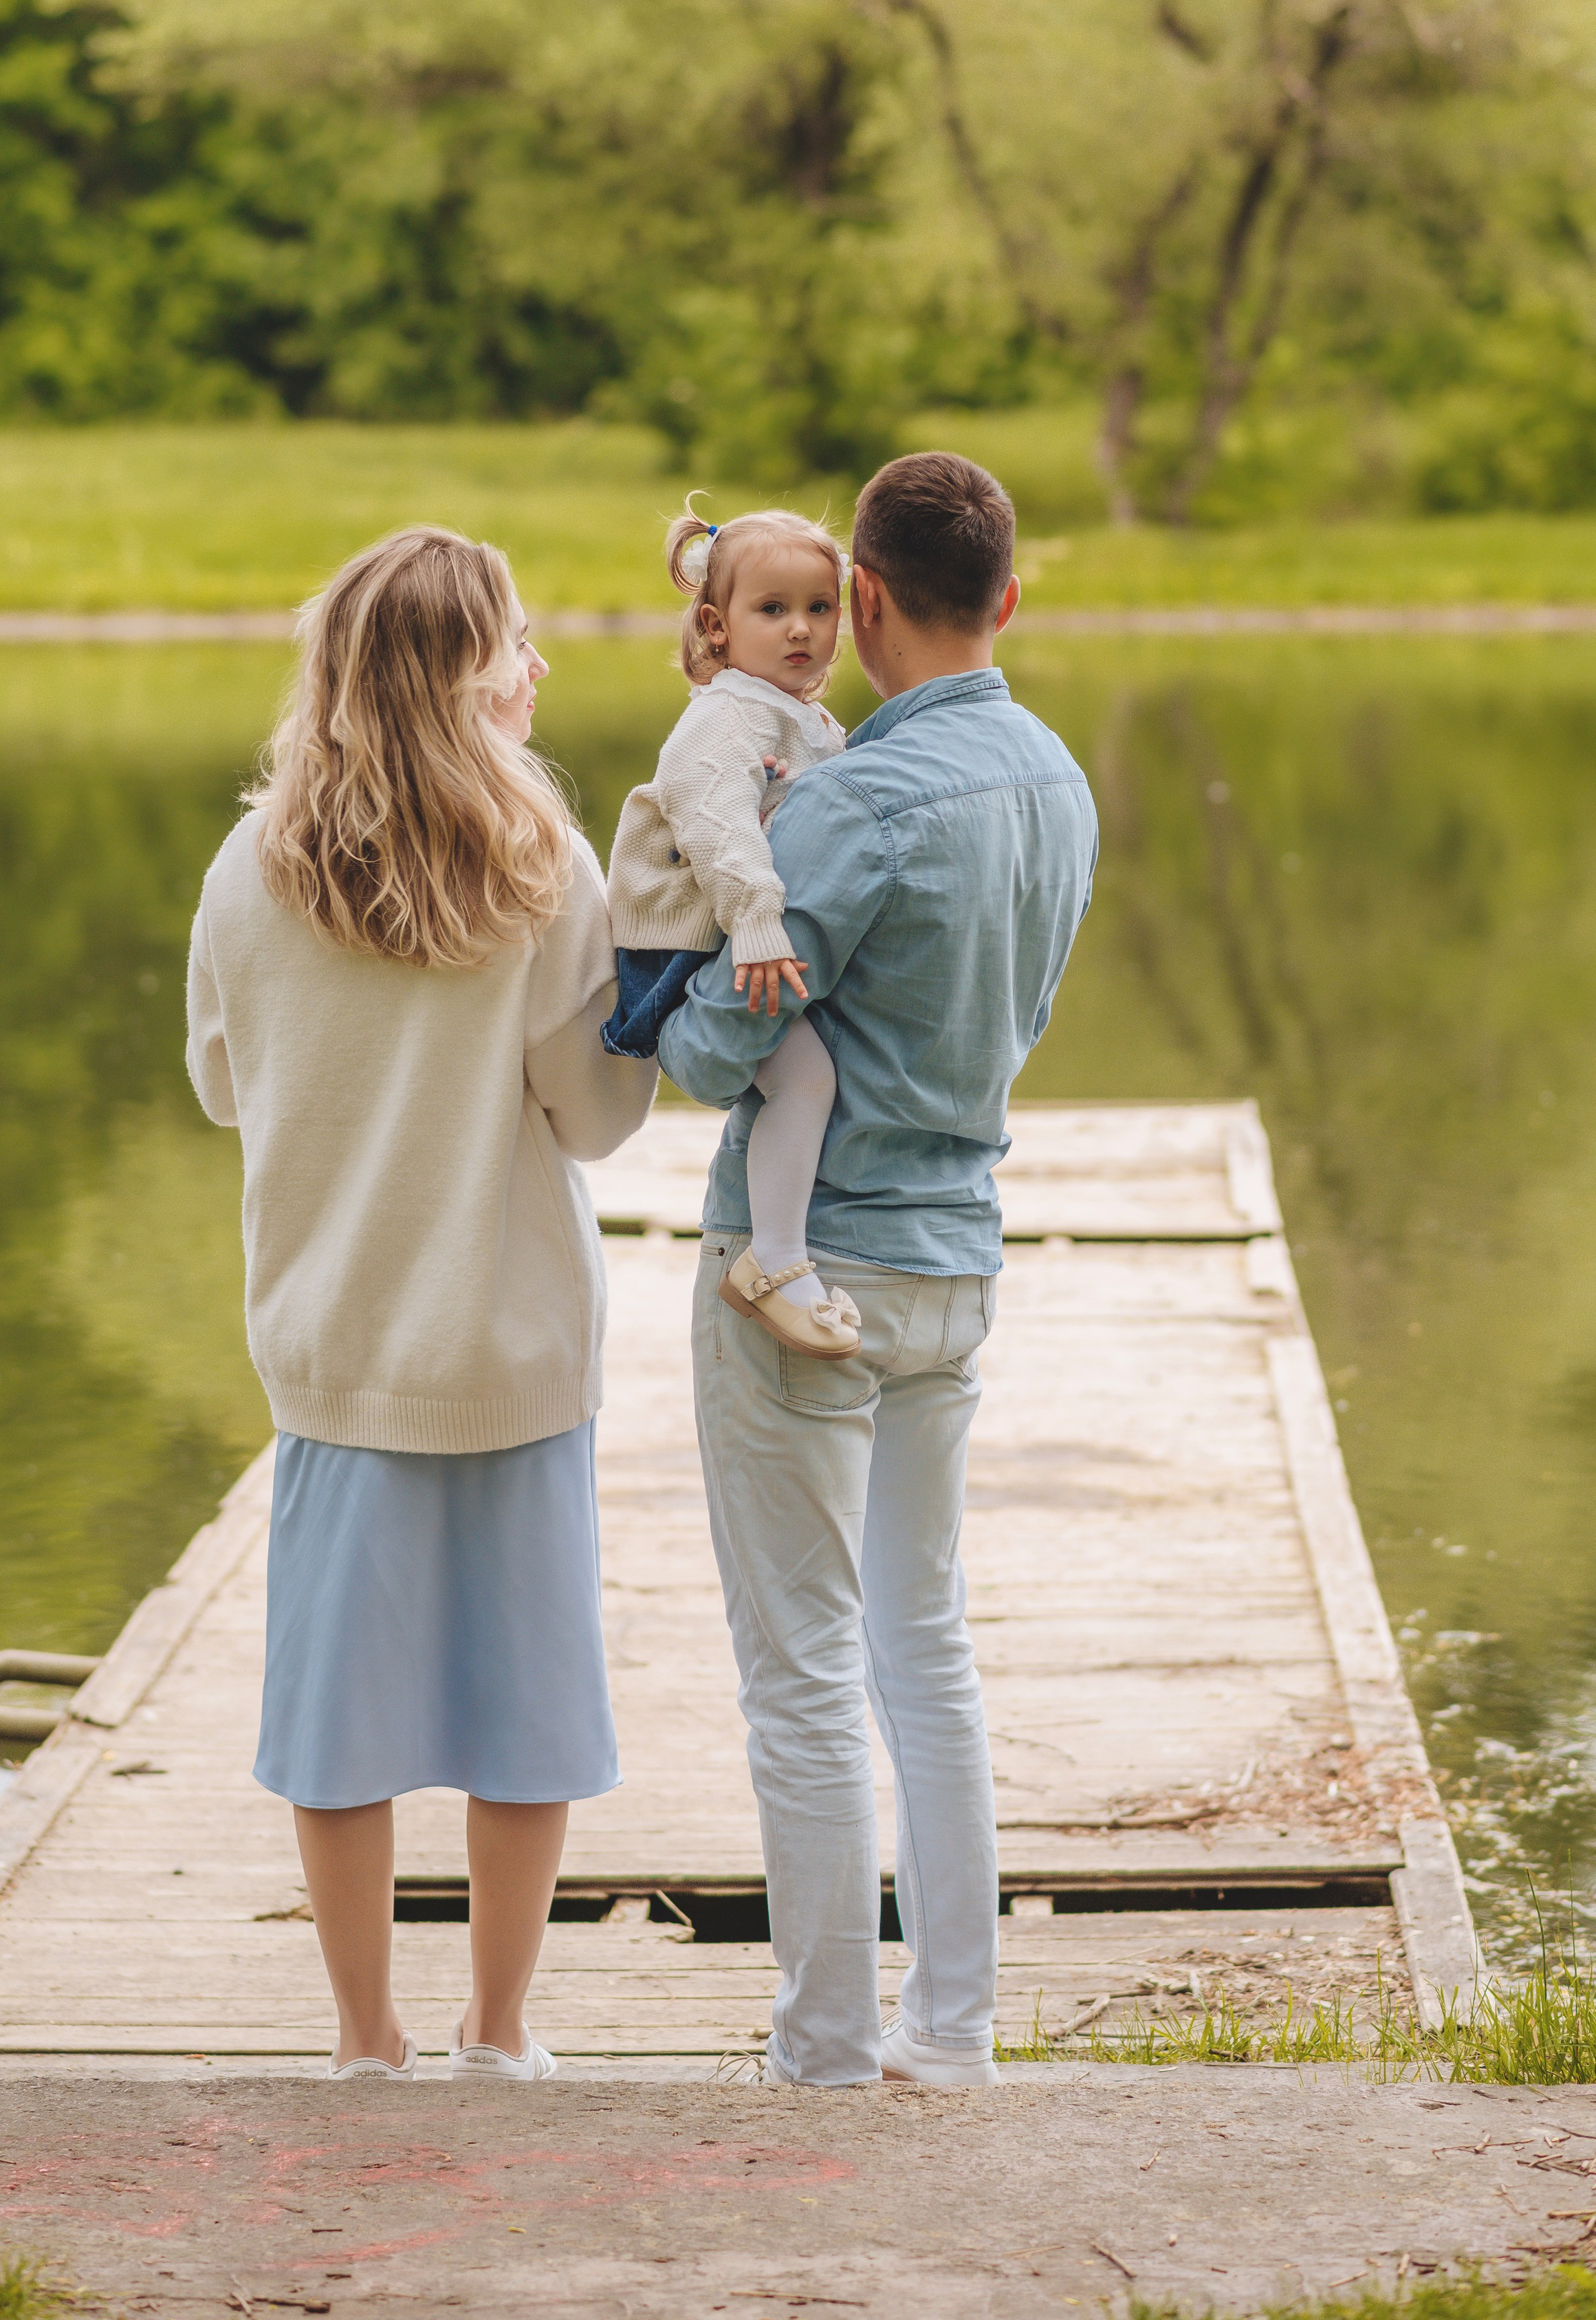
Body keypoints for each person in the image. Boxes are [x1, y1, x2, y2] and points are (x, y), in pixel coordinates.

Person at [185, 526, 655, 2083]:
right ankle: (496, 2030)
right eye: (515, 641)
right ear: (467, 680)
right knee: (524, 1710)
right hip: (511, 1350)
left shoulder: (252, 865)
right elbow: (587, 1117)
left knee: (337, 1717)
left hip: (335, 1352)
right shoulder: (544, 862)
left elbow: (214, 1081)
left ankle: (362, 2036)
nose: (538, 664)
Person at [657, 451, 1097, 2088]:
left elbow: (717, 1049)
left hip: (806, 1269)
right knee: (926, 1644)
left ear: (855, 596)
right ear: (1005, 595)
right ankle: (955, 2029)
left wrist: (675, 976)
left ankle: (828, 2045)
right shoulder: (1057, 775)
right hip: (953, 1258)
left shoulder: (848, 796)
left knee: (805, 1670)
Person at [603, 502, 859, 1359]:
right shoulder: (726, 715)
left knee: (813, 1067)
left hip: (732, 931)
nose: (800, 630)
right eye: (772, 609)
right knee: (806, 1080)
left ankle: (789, 1238)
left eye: (819, 609)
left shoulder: (798, 717)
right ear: (715, 626)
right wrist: (756, 923)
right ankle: (773, 1260)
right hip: (685, 941)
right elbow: (716, 820)